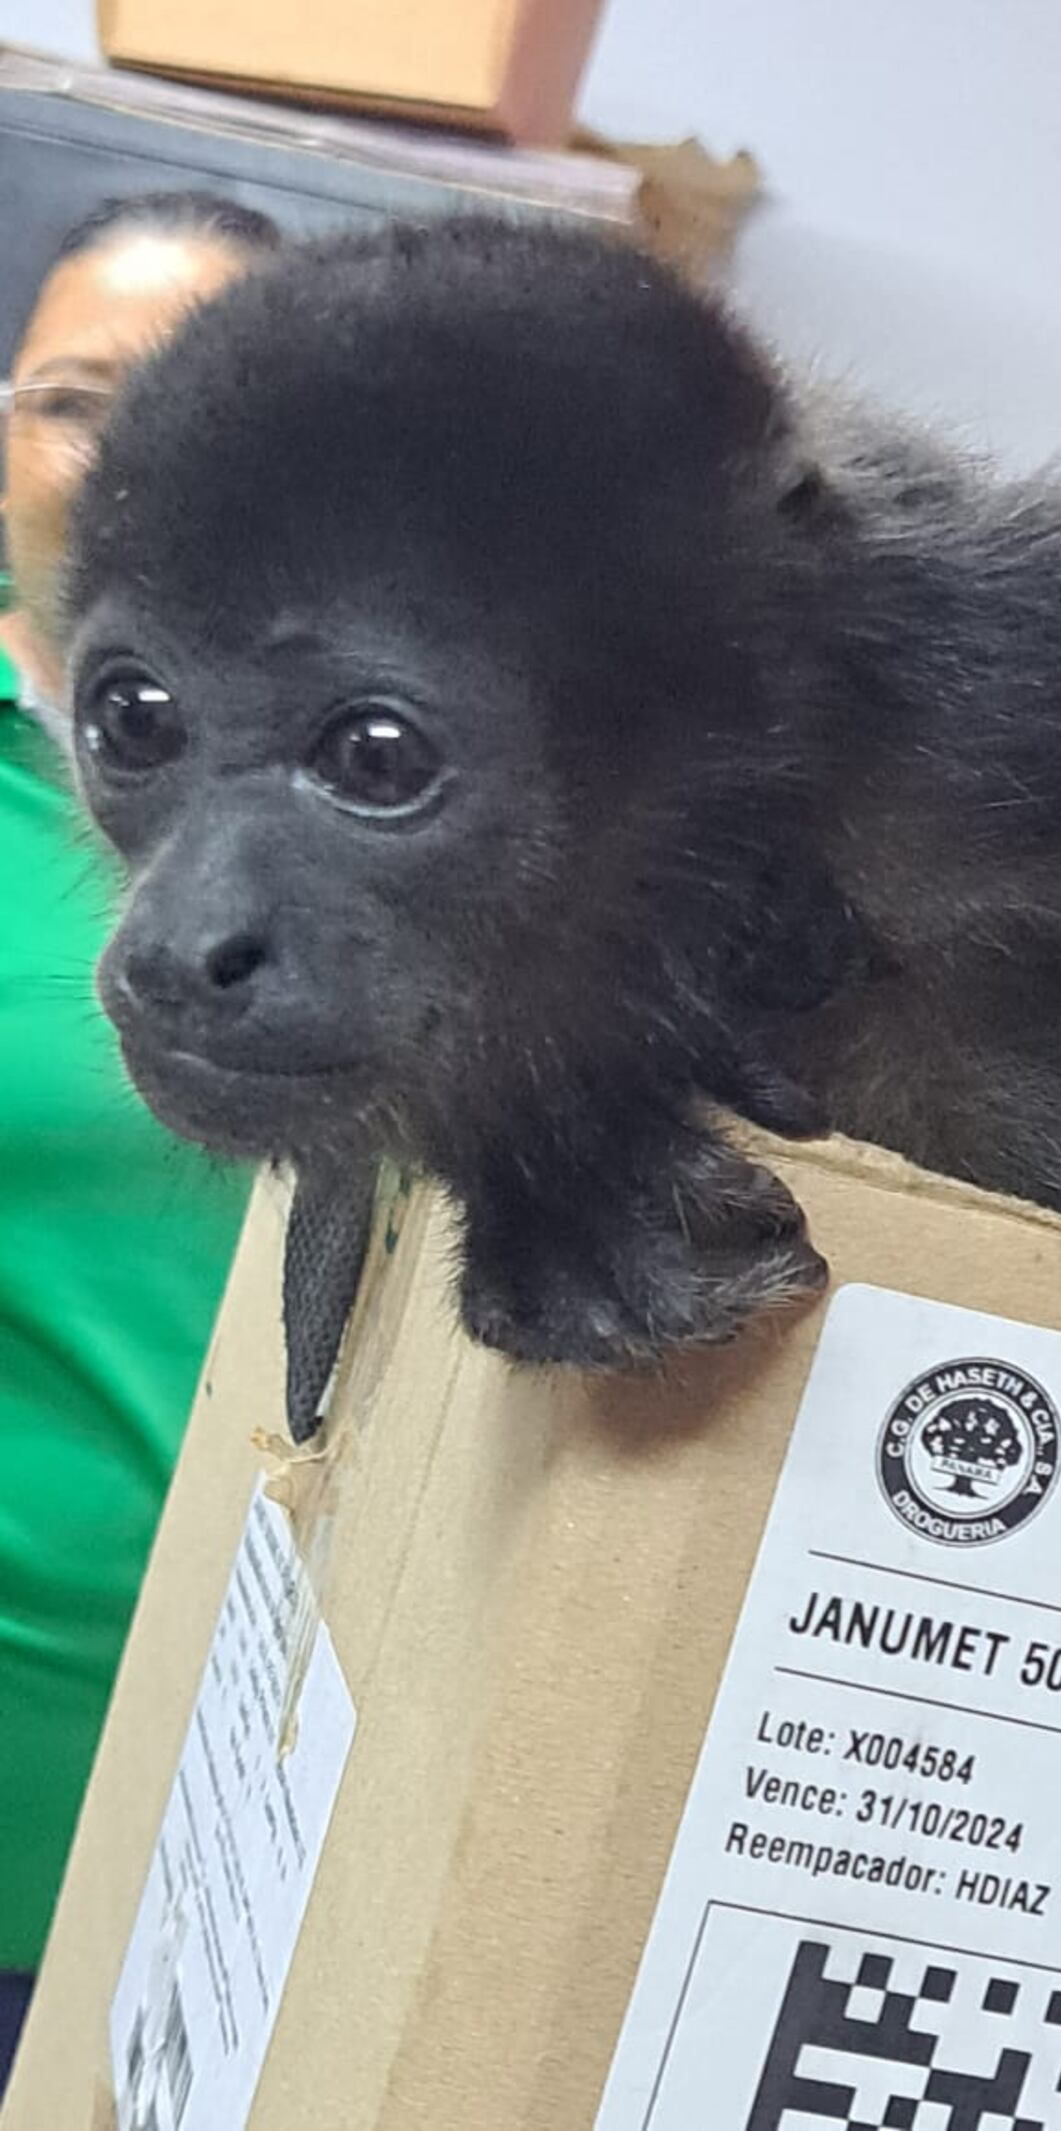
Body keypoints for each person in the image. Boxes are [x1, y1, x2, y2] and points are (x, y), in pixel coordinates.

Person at [0, 191, 280, 2088]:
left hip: (264, 1778)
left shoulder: (424, 800)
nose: (123, 455)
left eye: (205, 399)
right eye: (75, 396)